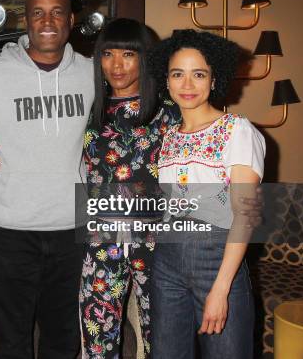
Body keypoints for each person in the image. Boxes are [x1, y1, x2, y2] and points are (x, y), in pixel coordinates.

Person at [0, 0, 94, 358]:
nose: (47, 20)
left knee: (63, 333)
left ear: (71, 19)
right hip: (9, 226)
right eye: (37, 12)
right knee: (10, 332)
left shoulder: (93, 74)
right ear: (25, 19)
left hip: (71, 223)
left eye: (57, 11)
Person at [149, 29, 265, 358]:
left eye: (198, 74)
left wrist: (221, 288)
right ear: (166, 81)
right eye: (177, 74)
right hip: (166, 262)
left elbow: (245, 215)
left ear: (214, 79)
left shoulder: (238, 131)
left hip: (217, 262)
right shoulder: (169, 136)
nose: (187, 85)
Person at [79, 18, 180, 358]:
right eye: (107, 54)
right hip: (103, 241)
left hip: (156, 244)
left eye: (128, 54)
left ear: (145, 58)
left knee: (163, 336)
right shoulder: (92, 112)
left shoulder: (169, 113)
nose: (116, 65)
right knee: (97, 336)